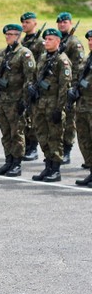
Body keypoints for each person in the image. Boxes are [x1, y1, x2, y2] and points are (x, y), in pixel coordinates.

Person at [0, 24, 35, 177]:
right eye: (6, 34)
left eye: (12, 34)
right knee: (5, 132)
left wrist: (24, 101)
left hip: (16, 100)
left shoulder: (25, 54)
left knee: (17, 133)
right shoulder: (1, 53)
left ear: (19, 36)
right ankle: (8, 160)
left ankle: (17, 163)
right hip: (3, 99)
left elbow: (30, 79)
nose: (8, 36)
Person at [29, 28, 71, 182]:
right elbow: (35, 77)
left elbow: (64, 87)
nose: (46, 42)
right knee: (42, 136)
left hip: (54, 106)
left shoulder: (62, 60)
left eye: (51, 39)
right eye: (46, 39)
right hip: (40, 104)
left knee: (55, 137)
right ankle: (48, 165)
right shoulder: (43, 58)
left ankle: (56, 169)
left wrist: (59, 109)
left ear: (58, 41)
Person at [56, 12, 85, 164]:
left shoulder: (74, 43)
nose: (62, 24)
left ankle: (67, 150)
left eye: (65, 22)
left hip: (70, 88)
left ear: (71, 23)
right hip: (57, 88)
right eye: (60, 22)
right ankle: (58, 150)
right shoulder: (58, 41)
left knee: (69, 121)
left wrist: (73, 88)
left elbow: (79, 68)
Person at [21, 12, 45, 161]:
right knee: (24, 117)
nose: (24, 25)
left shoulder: (40, 43)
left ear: (35, 24)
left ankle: (33, 148)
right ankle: (26, 145)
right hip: (22, 84)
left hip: (34, 84)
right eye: (23, 22)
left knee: (32, 117)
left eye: (27, 22)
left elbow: (42, 65)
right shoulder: (23, 41)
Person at [72, 30, 92, 185]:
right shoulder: (86, 61)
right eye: (90, 40)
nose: (90, 42)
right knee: (84, 140)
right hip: (82, 107)